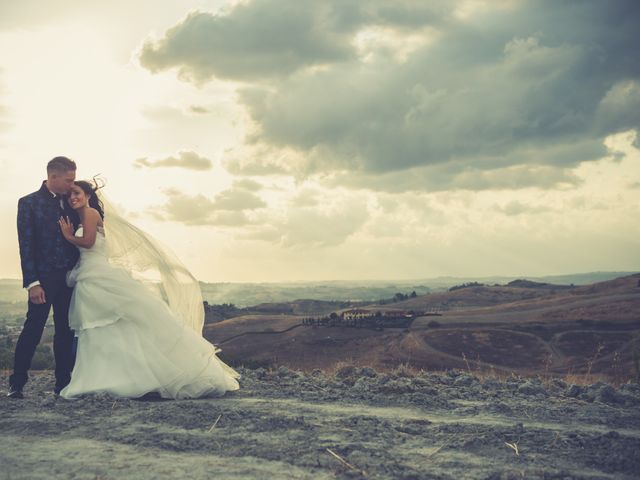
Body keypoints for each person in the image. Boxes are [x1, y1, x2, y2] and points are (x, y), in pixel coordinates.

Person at [57, 180, 240, 399]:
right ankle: (110, 378)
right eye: (70, 195)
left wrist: (68, 235)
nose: (72, 198)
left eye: (76, 193)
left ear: (87, 195)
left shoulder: (90, 212)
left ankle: (119, 379)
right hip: (90, 275)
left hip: (98, 276)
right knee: (103, 329)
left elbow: (87, 242)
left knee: (105, 325)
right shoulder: (85, 215)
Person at [8, 156, 80, 398]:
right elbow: (25, 245)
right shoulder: (28, 203)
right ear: (53, 176)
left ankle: (63, 385)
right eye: (68, 180)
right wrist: (32, 283)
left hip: (70, 279)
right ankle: (16, 385)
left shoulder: (72, 202)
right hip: (43, 280)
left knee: (65, 330)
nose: (72, 185)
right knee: (33, 329)